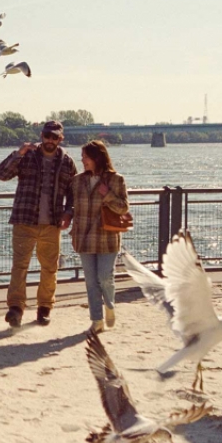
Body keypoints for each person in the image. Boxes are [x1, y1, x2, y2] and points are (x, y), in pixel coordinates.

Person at [0, 121, 77, 327]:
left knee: (50, 268)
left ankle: (44, 308)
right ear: (41, 135)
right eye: (47, 136)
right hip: (24, 221)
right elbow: (2, 175)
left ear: (61, 139)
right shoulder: (27, 156)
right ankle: (15, 308)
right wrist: (18, 153)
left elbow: (73, 193)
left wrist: (69, 212)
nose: (50, 140)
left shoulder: (67, 162)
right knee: (19, 266)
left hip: (52, 223)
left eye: (55, 137)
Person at [68, 140, 130, 333]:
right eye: (82, 156)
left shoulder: (115, 179)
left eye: (86, 156)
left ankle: (110, 305)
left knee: (105, 277)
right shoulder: (77, 180)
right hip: (84, 237)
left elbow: (124, 208)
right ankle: (97, 321)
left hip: (107, 237)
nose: (82, 160)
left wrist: (108, 194)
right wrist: (68, 220)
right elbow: (72, 206)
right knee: (90, 281)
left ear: (97, 157)